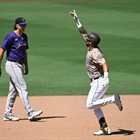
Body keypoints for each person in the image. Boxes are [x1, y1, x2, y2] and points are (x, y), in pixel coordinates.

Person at [70, 10, 123, 135]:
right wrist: (77, 20)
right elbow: (83, 32)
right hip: (96, 81)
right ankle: (104, 127)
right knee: (96, 107)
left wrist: (106, 78)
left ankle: (113, 99)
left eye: (87, 39)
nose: (85, 39)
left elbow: (105, 64)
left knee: (90, 104)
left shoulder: (96, 52)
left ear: (91, 42)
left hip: (99, 81)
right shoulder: (90, 46)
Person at [0, 17, 43, 121]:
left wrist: (26, 66)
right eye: (22, 24)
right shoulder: (10, 37)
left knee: (13, 91)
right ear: (17, 25)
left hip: (19, 65)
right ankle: (30, 111)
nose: (24, 26)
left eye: (25, 24)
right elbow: (2, 50)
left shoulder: (24, 37)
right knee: (22, 87)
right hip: (11, 65)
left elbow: (24, 52)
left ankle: (7, 114)